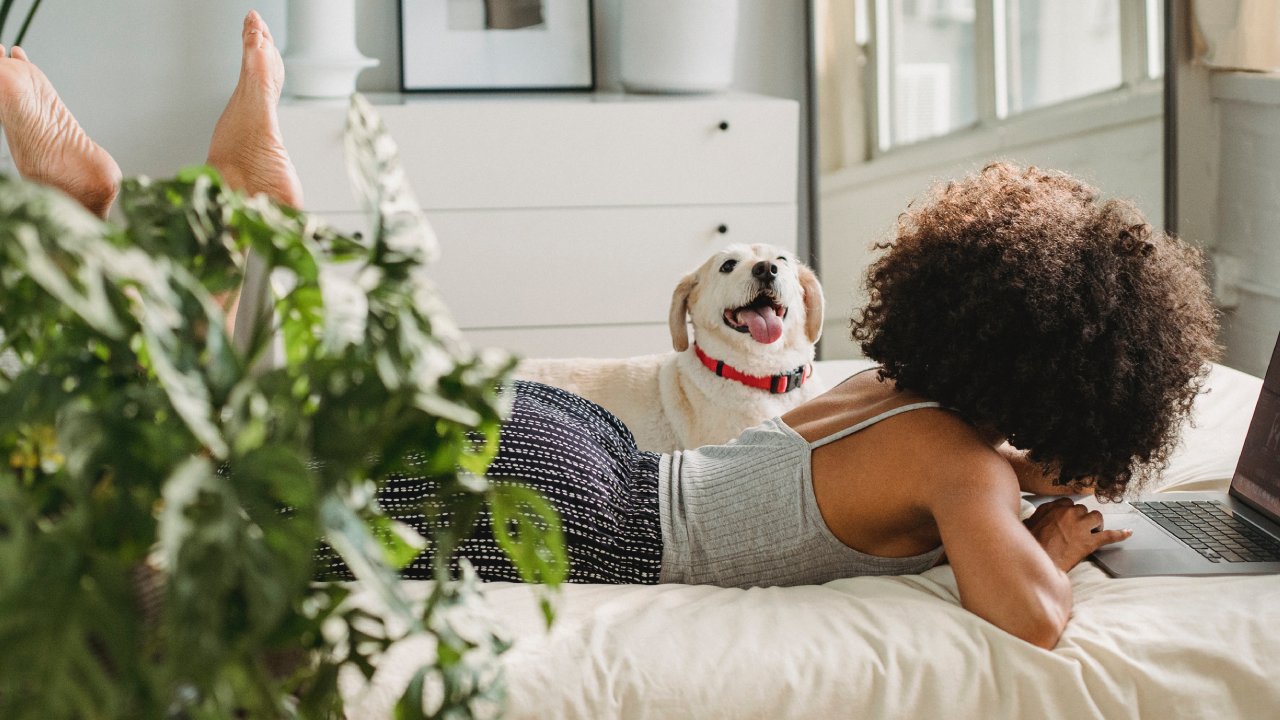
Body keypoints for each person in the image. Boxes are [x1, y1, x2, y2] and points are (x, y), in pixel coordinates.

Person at [0, 12, 1219, 650]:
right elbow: (1029, 620)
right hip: (599, 519)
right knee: (286, 500)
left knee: (328, 408)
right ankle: (138, 232)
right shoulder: (965, 469)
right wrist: (1048, 535)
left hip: (580, 444)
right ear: (1058, 403)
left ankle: (236, 231)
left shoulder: (881, 386)